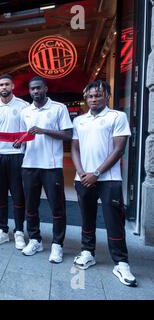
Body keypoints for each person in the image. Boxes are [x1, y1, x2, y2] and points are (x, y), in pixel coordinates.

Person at [71, 80, 136, 287]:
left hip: (109, 179)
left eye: (98, 95)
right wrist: (81, 172)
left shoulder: (117, 116)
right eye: (90, 96)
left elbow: (118, 150)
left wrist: (96, 173)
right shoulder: (79, 121)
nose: (93, 99)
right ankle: (88, 252)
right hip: (83, 179)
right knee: (86, 218)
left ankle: (121, 263)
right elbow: (74, 147)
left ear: (106, 95)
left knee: (113, 221)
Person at [19, 76, 72, 263]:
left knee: (57, 208)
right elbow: (24, 135)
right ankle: (35, 239)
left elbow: (67, 134)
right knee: (31, 207)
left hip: (51, 166)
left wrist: (44, 131)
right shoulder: (25, 111)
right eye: (32, 89)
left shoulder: (59, 108)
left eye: (38, 88)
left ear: (46, 88)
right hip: (29, 165)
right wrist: (19, 142)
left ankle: (57, 244)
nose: (35, 92)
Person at [0, 74, 28, 249]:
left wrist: (23, 141)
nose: (3, 87)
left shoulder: (24, 106)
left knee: (18, 196)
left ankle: (19, 232)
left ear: (13, 86)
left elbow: (28, 132)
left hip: (16, 156)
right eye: (1, 84)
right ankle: (2, 230)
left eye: (6, 84)